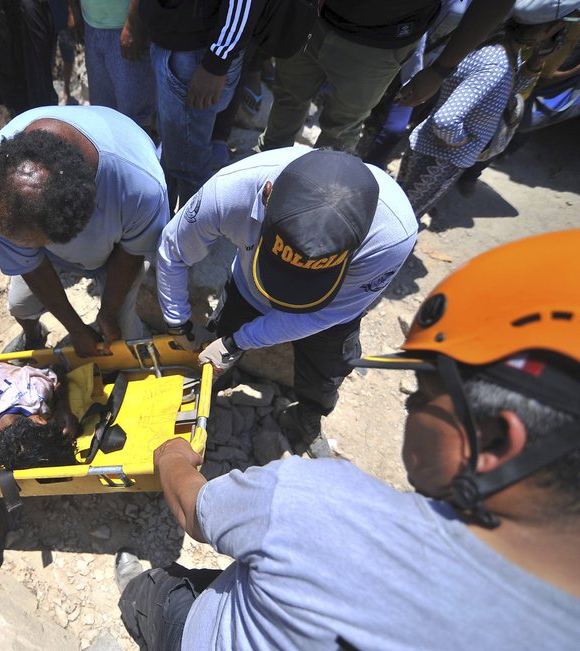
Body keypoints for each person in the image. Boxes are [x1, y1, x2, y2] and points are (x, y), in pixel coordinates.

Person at [119, 229, 580, 650]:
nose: (410, 406)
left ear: (496, 439)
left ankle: (137, 601)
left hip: (203, 633)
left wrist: (171, 455)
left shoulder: (319, 503)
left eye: (423, 394)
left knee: (158, 593)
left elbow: (196, 513)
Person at [157, 148, 417, 455]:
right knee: (221, 334)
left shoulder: (391, 237)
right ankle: (212, 386)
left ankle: (306, 415)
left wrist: (238, 341)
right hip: (249, 287)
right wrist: (179, 323)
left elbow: (321, 317)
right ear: (267, 195)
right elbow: (173, 250)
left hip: (328, 310)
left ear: (360, 243)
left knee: (330, 369)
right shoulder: (231, 191)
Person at [0, 105, 168, 357]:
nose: (26, 250)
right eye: (26, 245)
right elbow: (30, 265)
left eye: (35, 243)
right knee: (20, 306)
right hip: (48, 229)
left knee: (122, 329)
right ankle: (33, 335)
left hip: (116, 250)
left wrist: (107, 312)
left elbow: (130, 255)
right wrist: (76, 329)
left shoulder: (140, 189)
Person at [257, 0, 515, 154]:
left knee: (341, 129)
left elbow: (493, 4)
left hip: (378, 45)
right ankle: (259, 178)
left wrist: (440, 70)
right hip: (310, 16)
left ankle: (309, 203)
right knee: (287, 100)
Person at [397, 10, 573, 217]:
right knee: (405, 215)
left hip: (431, 149)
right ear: (549, 28)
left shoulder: (501, 47)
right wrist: (460, 142)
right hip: (439, 158)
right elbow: (445, 120)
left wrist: (535, 62)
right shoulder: (496, 65)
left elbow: (507, 91)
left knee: (399, 204)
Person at [137, 0, 250, 210]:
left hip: (196, 53)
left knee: (189, 166)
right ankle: (163, 221)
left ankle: (189, 237)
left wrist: (216, 61)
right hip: (168, 36)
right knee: (172, 150)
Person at [69, 0, 157, 132]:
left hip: (127, 27)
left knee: (135, 121)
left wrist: (133, 21)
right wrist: (73, 8)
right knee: (102, 114)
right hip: (91, 23)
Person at [0, 0, 59, 117]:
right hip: (15, 102)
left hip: (29, 111)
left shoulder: (30, 10)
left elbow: (39, 76)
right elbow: (3, 34)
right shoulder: (5, 5)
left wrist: (41, 121)